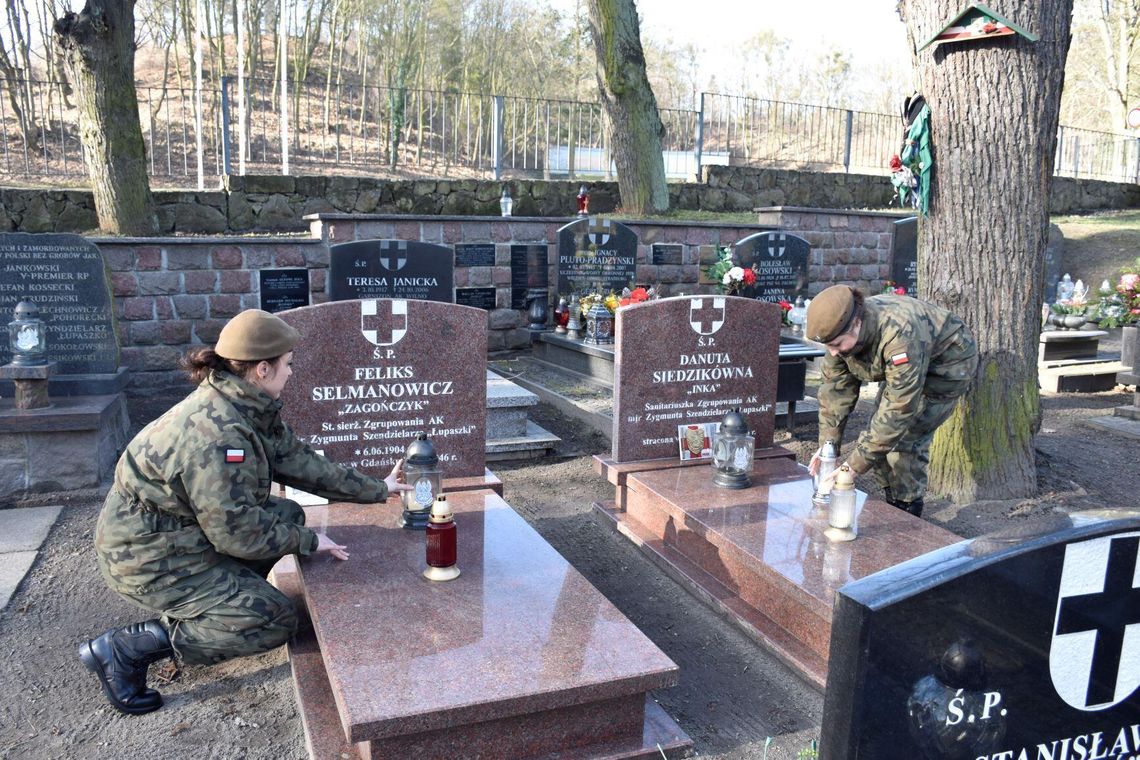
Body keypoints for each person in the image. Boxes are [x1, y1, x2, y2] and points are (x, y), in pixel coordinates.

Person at [79, 309, 412, 715]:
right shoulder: (219, 434)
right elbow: (236, 533)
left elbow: (297, 459)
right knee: (273, 619)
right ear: (262, 368)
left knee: (286, 514)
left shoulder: (243, 402)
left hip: (180, 531)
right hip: (147, 556)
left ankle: (218, 596)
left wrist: (378, 488)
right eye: (288, 365)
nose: (291, 373)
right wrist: (309, 542)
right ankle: (125, 648)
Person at [806, 285, 978, 517]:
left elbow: (898, 412)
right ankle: (892, 499)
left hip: (946, 367)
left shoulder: (900, 334)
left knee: (903, 441)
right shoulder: (839, 331)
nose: (833, 353)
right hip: (906, 366)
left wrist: (850, 469)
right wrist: (828, 447)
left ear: (856, 323)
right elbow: (835, 392)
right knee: (877, 438)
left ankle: (906, 510)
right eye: (829, 346)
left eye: (836, 345)